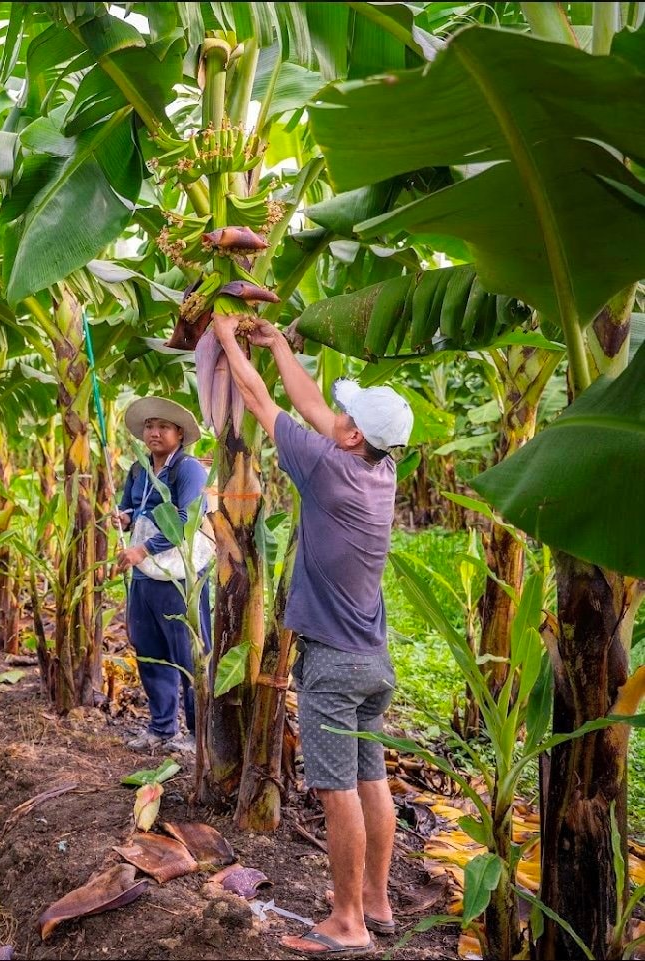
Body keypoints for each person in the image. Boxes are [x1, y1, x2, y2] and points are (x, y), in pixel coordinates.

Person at [210, 313, 412, 958]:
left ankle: (348, 923)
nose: (336, 418)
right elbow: (316, 407)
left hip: (333, 663)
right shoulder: (379, 472)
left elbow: (258, 400)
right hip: (373, 661)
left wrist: (224, 334)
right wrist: (274, 343)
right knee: (371, 776)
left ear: (352, 437)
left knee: (337, 790)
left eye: (346, 418)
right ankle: (377, 902)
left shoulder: (327, 468)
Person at [114, 396, 211, 755]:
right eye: (150, 426)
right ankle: (161, 726)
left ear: (180, 433)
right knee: (149, 647)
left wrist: (143, 548)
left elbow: (185, 520)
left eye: (163, 427)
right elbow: (129, 508)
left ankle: (199, 733)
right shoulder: (139, 469)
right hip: (144, 574)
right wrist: (123, 519)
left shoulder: (188, 470)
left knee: (189, 653)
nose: (154, 432)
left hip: (179, 575)